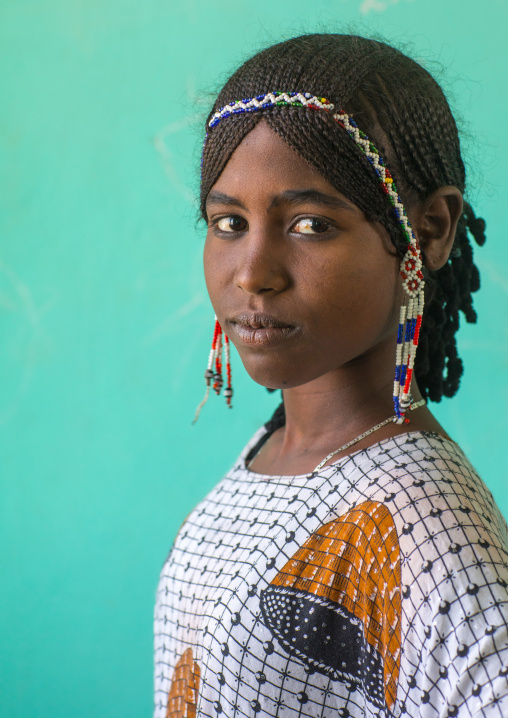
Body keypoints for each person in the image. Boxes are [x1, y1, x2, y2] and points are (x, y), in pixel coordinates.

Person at [154, 34, 508, 718]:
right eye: (229, 222)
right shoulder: (273, 447)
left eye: (311, 224)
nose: (253, 272)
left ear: (429, 230)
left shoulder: (423, 521)